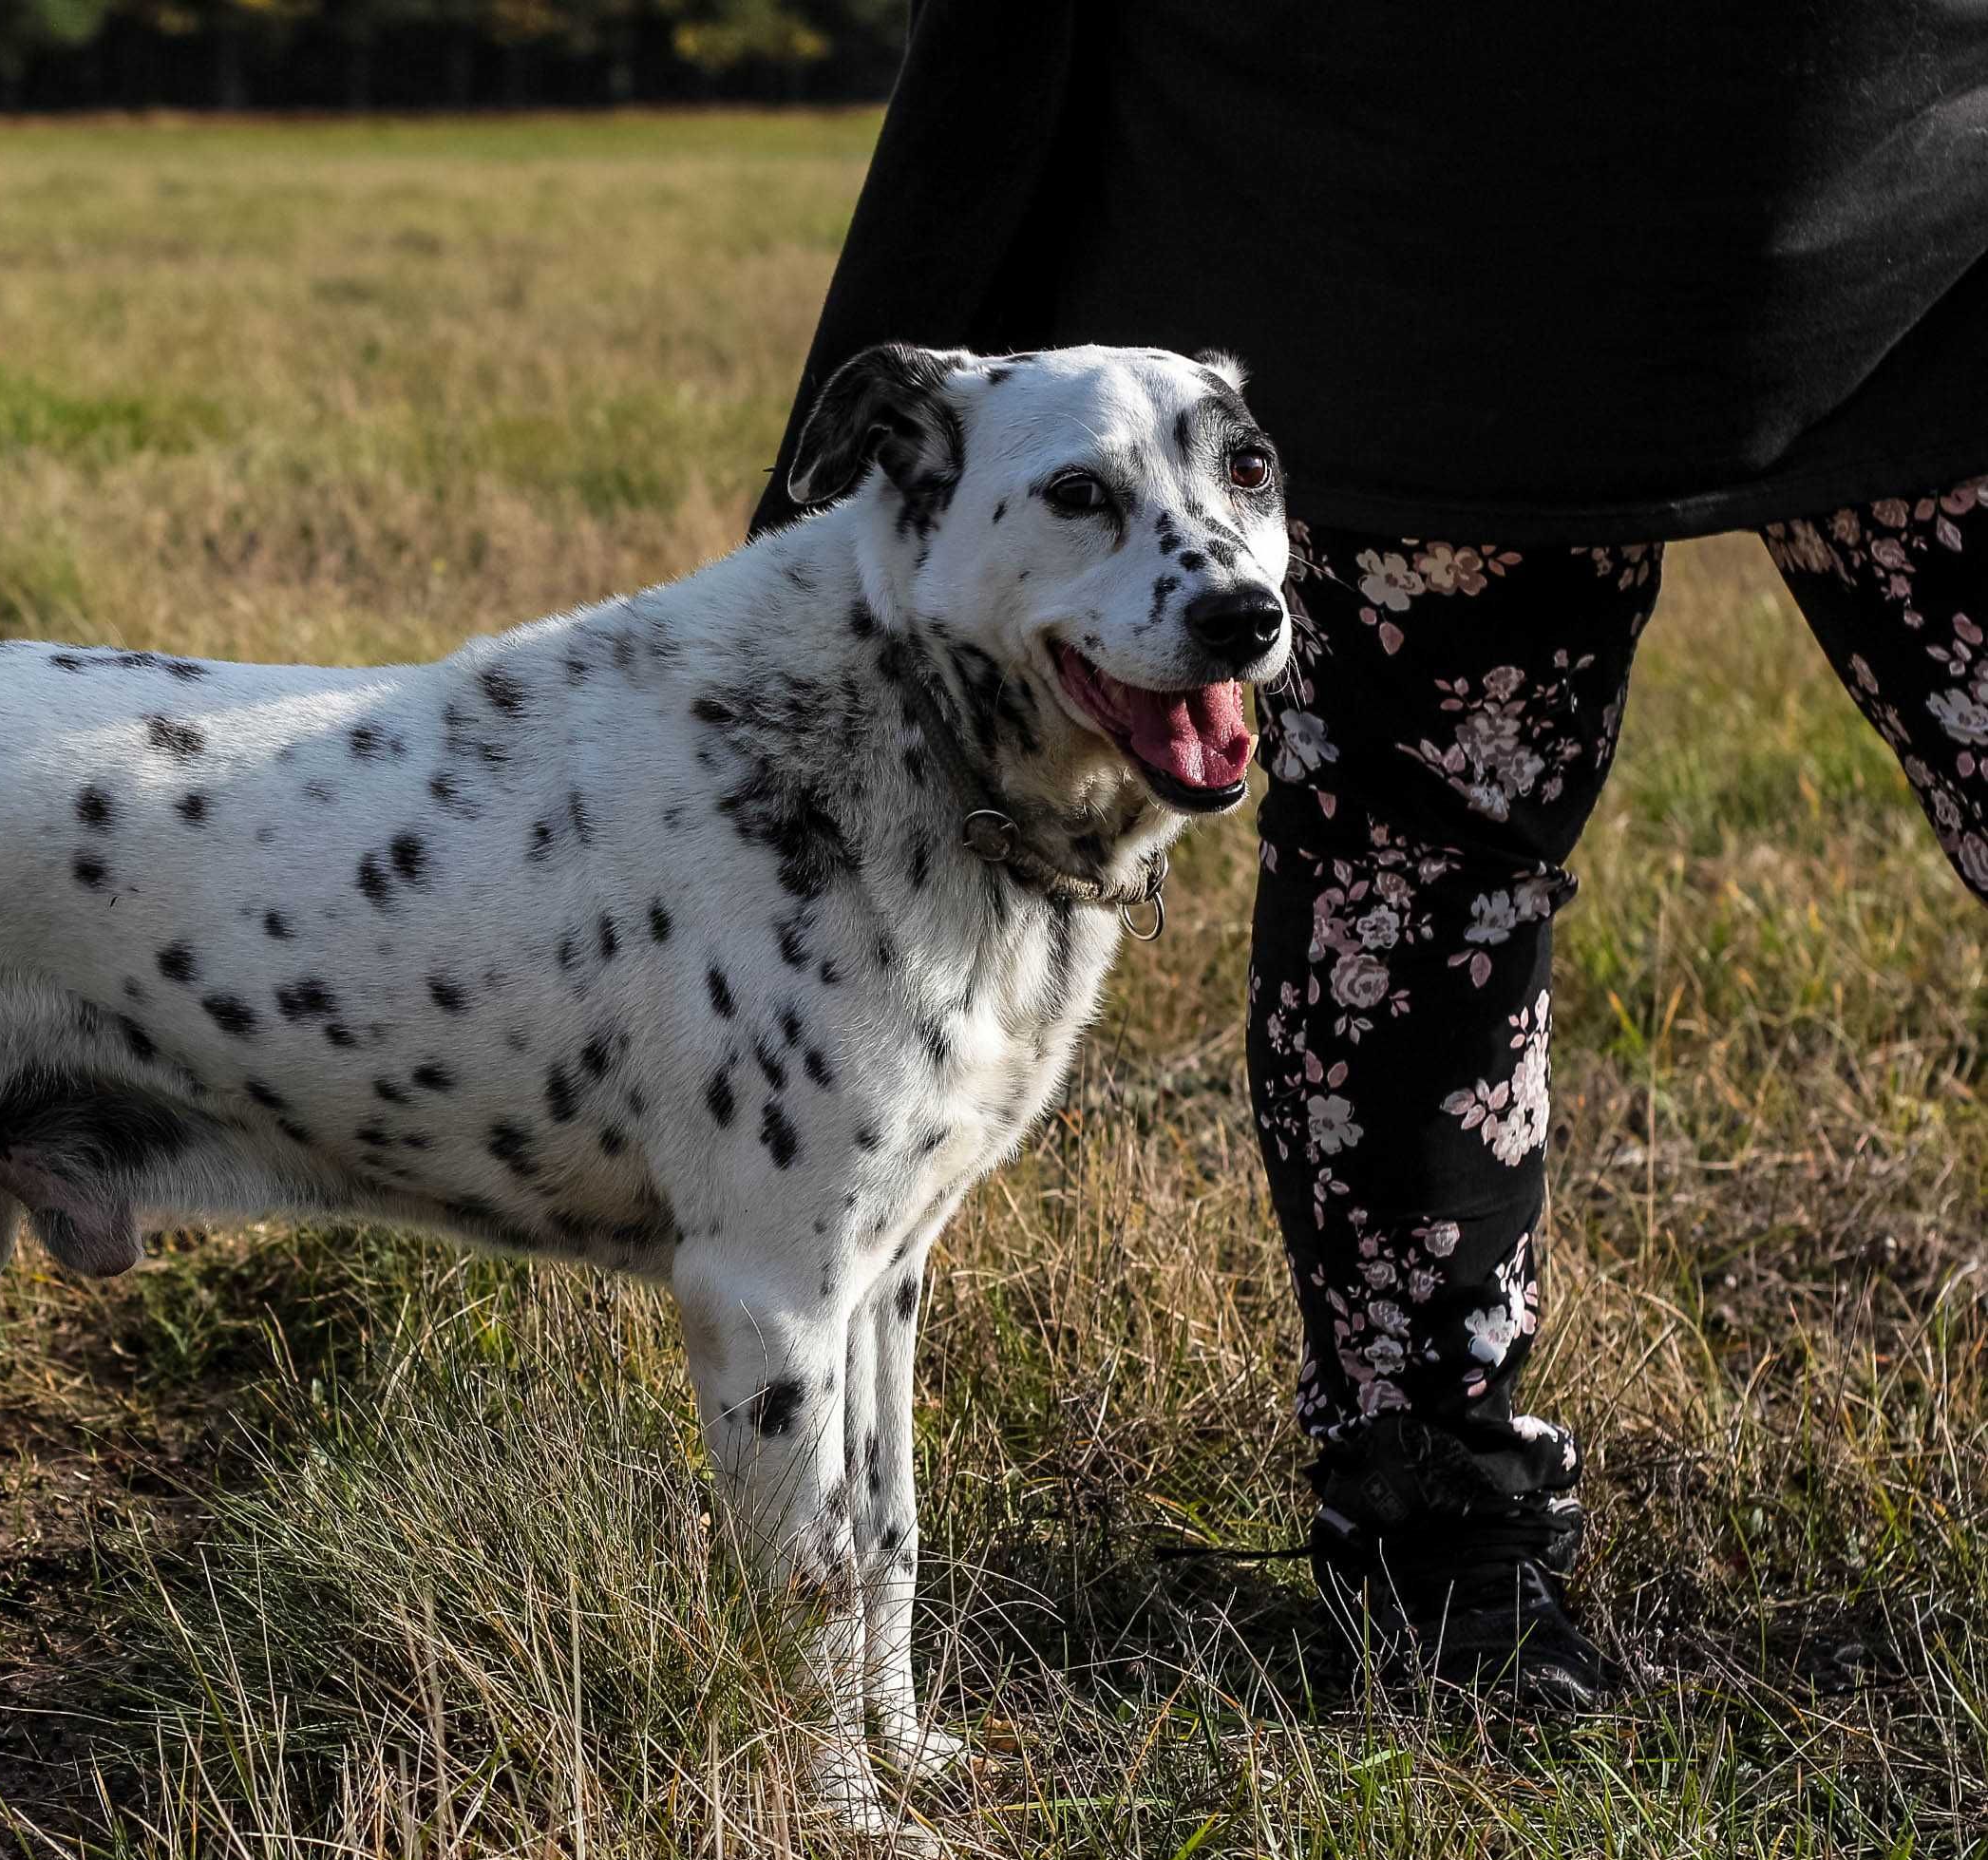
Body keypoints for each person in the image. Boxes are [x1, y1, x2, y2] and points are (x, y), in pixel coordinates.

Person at [754, 6, 1988, 1703]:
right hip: (1426, 236)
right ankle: (1437, 1544)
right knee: (1415, 887)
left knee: (1417, 889)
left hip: (1858, 207)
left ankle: (1438, 1545)